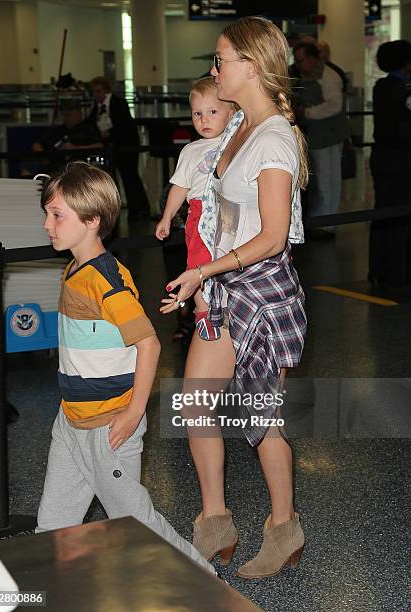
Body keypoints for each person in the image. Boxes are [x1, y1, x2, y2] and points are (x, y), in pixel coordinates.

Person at [161, 17, 307, 578]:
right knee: (196, 404)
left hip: (261, 294)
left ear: (252, 65)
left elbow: (272, 237)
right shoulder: (238, 125)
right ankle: (215, 522)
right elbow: (214, 209)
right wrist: (200, 274)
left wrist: (204, 273)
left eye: (221, 59)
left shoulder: (272, 138)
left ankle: (283, 528)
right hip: (222, 289)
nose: (214, 68)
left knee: (260, 418)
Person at [36, 162, 214, 574]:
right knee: (54, 525)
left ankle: (205, 581)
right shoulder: (75, 269)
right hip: (73, 421)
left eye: (57, 215)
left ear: (92, 220)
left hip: (109, 427)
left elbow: (149, 345)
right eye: (48, 213)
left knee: (135, 524)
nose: (48, 224)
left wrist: (133, 414)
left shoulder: (106, 281)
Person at [156, 77, 234, 341]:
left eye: (213, 112)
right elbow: (179, 187)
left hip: (230, 211)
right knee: (197, 264)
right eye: (197, 114)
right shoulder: (191, 150)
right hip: (199, 214)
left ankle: (229, 308)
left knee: (230, 262)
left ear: (231, 112)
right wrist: (166, 217)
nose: (204, 120)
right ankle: (202, 312)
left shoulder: (237, 143)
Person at [293, 41, 348, 235]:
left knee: (328, 181)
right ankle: (322, 221)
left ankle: (327, 223)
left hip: (328, 137)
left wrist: (307, 112)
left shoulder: (329, 77)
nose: (299, 65)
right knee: (322, 181)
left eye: (301, 60)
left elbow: (334, 105)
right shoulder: (310, 76)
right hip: (317, 136)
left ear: (312, 58)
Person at [369, 40, 411, 287]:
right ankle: (398, 272)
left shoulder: (381, 86)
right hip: (401, 159)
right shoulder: (403, 90)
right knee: (401, 214)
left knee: (382, 212)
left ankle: (378, 268)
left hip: (382, 157)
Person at [86, 76, 150, 221]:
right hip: (112, 147)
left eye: (98, 91)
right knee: (123, 177)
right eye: (94, 92)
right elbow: (90, 122)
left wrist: (108, 133)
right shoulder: (97, 107)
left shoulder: (118, 103)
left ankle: (139, 209)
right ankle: (131, 208)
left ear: (106, 90)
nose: (96, 95)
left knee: (130, 176)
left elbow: (124, 125)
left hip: (126, 145)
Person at [32, 100, 102, 153]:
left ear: (79, 113)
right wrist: (44, 155)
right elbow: (37, 145)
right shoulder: (57, 130)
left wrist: (76, 148)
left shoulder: (88, 129)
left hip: (80, 162)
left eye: (70, 112)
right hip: (57, 163)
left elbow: (99, 146)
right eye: (65, 113)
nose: (67, 116)